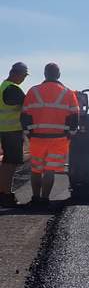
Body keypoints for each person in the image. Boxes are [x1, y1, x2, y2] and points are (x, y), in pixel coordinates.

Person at [22, 62, 79, 205]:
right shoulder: (67, 93)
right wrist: (70, 133)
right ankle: (45, 199)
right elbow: (74, 116)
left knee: (36, 169)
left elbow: (24, 115)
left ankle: (35, 199)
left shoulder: (33, 91)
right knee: (50, 170)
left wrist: (28, 133)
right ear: (58, 75)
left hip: (37, 137)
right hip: (58, 139)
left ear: (45, 74)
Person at [0, 62, 30, 207]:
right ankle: (5, 194)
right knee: (10, 165)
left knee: (7, 163)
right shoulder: (13, 89)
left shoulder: (4, 86)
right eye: (24, 75)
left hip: (6, 130)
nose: (24, 79)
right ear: (17, 73)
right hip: (11, 131)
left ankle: (4, 192)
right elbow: (28, 105)